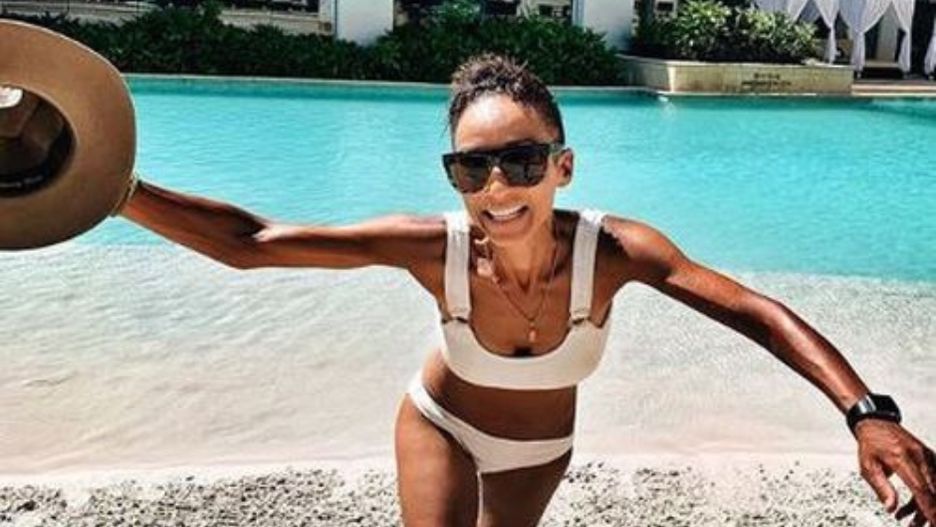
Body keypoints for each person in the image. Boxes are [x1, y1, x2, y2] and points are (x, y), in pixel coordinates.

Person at [109, 55, 935, 526]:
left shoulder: (616, 251)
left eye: (522, 161)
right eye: (472, 167)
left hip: (539, 452)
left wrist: (867, 412)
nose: (497, 186)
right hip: (440, 424)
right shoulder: (433, 247)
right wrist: (112, 190)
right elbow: (253, 243)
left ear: (562, 167)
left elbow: (754, 312)